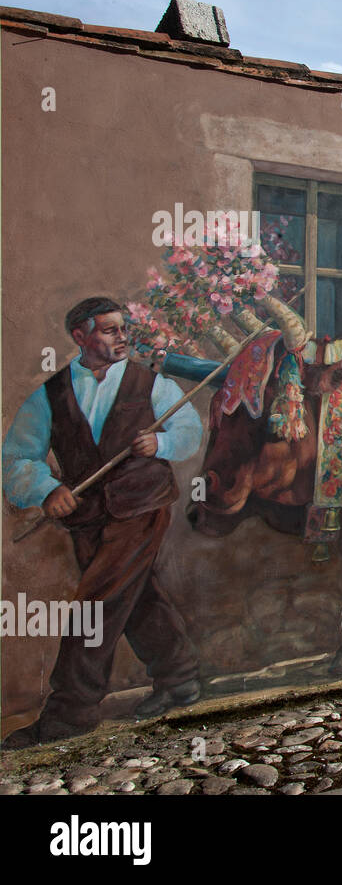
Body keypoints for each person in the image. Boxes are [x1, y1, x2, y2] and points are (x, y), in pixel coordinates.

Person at [1, 297, 203, 748]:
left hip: (142, 506)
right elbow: (16, 458)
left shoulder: (150, 383)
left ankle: (71, 711)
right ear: (80, 336)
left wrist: (161, 443)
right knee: (136, 596)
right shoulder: (50, 394)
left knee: (98, 602)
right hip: (87, 517)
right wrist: (46, 490)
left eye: (123, 328)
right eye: (110, 330)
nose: (122, 336)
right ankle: (179, 678)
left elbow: (190, 431)